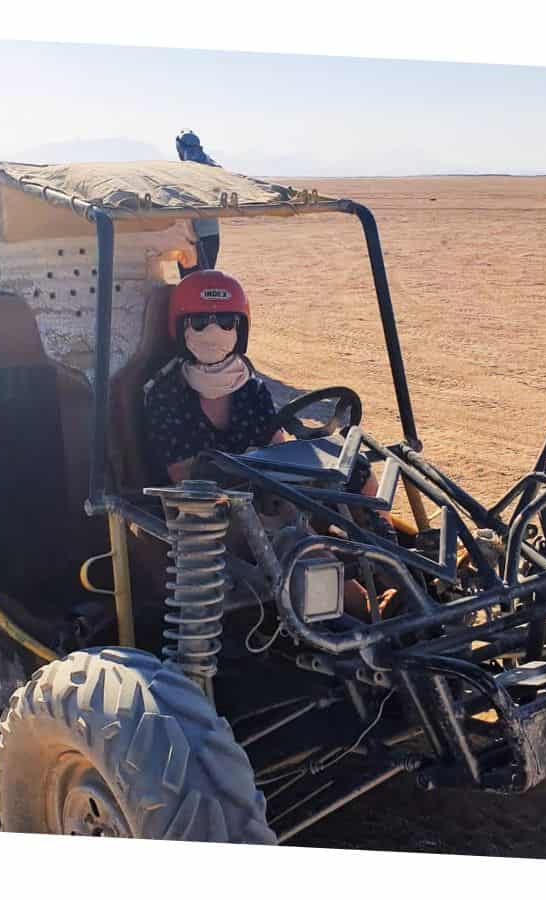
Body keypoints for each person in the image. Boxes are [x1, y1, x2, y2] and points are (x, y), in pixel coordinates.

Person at [143, 270, 391, 614]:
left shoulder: (249, 386)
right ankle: (368, 608)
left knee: (356, 471)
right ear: (181, 328)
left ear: (240, 329)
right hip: (211, 505)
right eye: (199, 321)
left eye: (225, 321)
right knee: (291, 531)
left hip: (262, 485)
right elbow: (184, 475)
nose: (213, 332)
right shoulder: (165, 394)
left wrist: (291, 478)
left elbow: (277, 445)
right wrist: (260, 484)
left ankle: (394, 568)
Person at [175, 130, 221, 273]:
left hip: (191, 236)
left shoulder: (186, 170)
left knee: (191, 281)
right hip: (210, 233)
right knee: (204, 278)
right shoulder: (211, 165)